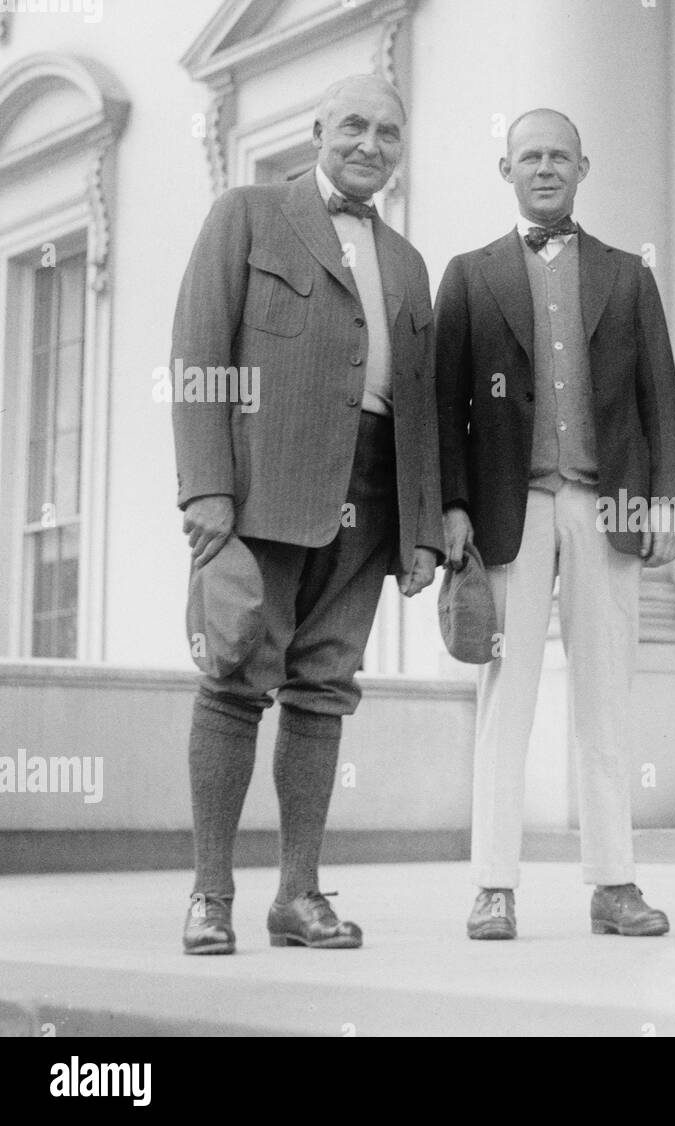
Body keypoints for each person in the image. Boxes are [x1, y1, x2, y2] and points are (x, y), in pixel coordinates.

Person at [171, 74, 442, 954]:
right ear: (317, 127)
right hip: (263, 490)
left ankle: (298, 896)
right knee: (235, 677)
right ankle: (211, 896)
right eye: (354, 125)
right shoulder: (246, 214)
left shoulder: (407, 262)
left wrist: (426, 528)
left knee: (323, 691)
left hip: (369, 500)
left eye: (389, 133)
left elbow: (422, 405)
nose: (370, 144)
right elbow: (199, 352)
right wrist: (207, 487)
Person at [433, 108, 675, 940]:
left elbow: (660, 398)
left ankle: (614, 884)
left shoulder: (626, 274)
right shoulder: (470, 276)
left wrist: (667, 503)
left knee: (606, 699)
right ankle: (493, 886)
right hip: (511, 512)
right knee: (507, 700)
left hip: (606, 504)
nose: (545, 169)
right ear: (505, 170)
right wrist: (452, 506)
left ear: (585, 167)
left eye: (559, 157)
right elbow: (446, 408)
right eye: (529, 157)